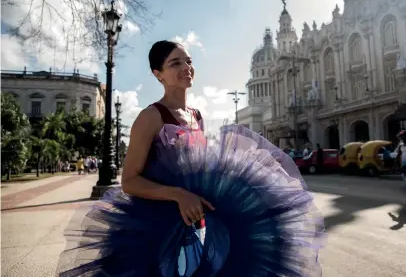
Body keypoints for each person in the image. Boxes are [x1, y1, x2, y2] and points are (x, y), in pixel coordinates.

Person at [56, 41, 324, 276]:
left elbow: (199, 170)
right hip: (157, 223)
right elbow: (129, 181)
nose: (186, 67)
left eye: (189, 61)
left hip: (197, 223)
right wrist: (178, 195)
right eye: (175, 63)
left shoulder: (196, 116)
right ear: (158, 74)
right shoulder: (151, 116)